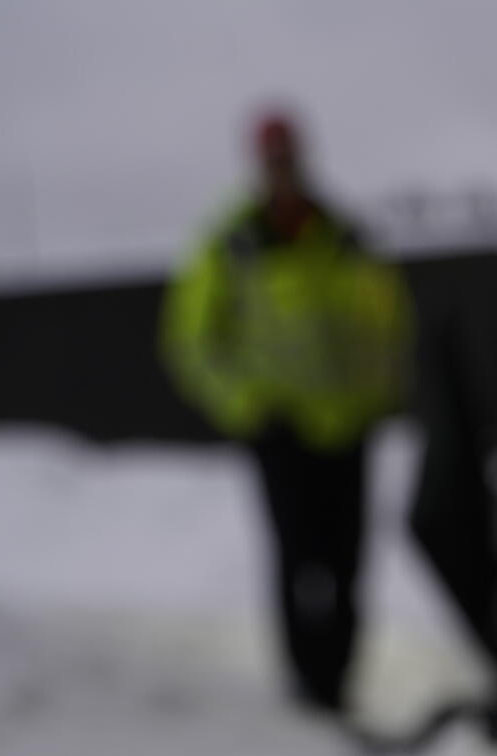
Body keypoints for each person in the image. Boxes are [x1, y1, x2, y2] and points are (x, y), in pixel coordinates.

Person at [161, 111, 410, 717]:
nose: (283, 169)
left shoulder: (344, 238)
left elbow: (391, 324)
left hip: (347, 428)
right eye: (272, 158)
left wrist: (379, 395)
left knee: (347, 561)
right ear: (258, 164)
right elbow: (190, 340)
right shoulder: (232, 245)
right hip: (281, 431)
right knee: (298, 560)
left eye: (290, 156)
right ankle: (305, 682)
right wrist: (244, 404)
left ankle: (339, 682)